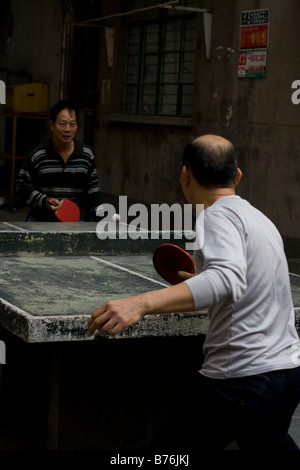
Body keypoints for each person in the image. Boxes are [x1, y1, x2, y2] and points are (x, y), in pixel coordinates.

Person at [87, 134, 300, 451]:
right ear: (237, 175)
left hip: (240, 381)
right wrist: (203, 280)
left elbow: (226, 278)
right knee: (269, 442)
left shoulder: (215, 216)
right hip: (285, 374)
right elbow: (246, 283)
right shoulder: (260, 219)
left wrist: (140, 304)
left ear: (185, 173)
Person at [16, 100, 102, 221]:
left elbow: (93, 192)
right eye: (62, 124)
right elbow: (21, 187)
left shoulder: (86, 155)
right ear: (52, 125)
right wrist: (45, 201)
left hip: (71, 220)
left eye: (72, 124)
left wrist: (103, 223)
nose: (68, 129)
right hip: (39, 219)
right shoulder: (37, 155)